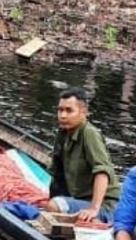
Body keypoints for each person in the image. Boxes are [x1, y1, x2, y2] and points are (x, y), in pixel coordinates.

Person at [46, 88, 120, 224]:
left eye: (69, 111)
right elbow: (57, 173)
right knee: (51, 205)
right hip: (79, 198)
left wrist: (94, 209)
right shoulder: (63, 133)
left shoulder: (89, 134)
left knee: (55, 205)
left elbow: (102, 172)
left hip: (105, 205)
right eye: (60, 110)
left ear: (84, 112)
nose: (62, 115)